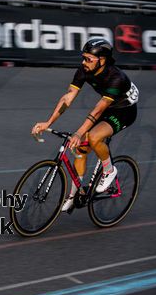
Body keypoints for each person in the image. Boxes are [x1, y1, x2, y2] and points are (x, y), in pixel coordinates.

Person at [32, 38, 139, 212]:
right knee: (79, 150)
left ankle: (109, 171)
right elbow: (68, 98)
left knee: (93, 136)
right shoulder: (84, 70)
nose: (83, 62)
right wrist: (48, 122)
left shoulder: (116, 78)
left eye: (88, 59)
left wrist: (79, 133)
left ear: (102, 60)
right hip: (108, 107)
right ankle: (74, 195)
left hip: (124, 111)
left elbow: (97, 111)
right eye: (83, 57)